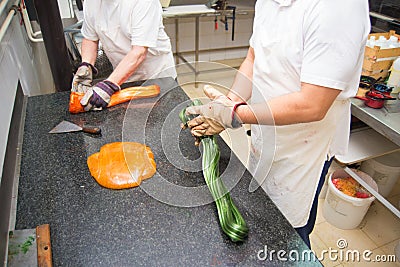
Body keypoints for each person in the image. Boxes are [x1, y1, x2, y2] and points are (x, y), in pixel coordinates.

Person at [186, 0, 370, 248]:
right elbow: (254, 58)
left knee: (288, 232)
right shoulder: (268, 2)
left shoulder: (338, 7)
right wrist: (228, 103)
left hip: (305, 145)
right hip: (265, 126)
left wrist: (234, 115)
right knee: (263, 209)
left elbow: (312, 104)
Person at [72, 0, 177, 110]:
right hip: (122, 78)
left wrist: (108, 84)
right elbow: (90, 38)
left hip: (156, 78)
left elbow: (139, 52)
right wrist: (86, 65)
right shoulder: (91, 3)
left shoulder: (143, 2)